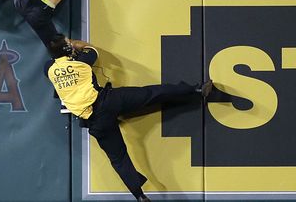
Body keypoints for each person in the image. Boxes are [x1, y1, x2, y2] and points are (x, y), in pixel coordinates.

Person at [44, 34, 213, 202]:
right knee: (151, 93)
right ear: (68, 49)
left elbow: (57, 63)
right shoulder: (82, 61)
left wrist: (65, 49)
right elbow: (91, 49)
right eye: (68, 43)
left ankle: (139, 196)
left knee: (119, 159)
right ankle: (196, 91)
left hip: (95, 122)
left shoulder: (49, 69)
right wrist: (74, 44)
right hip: (108, 102)